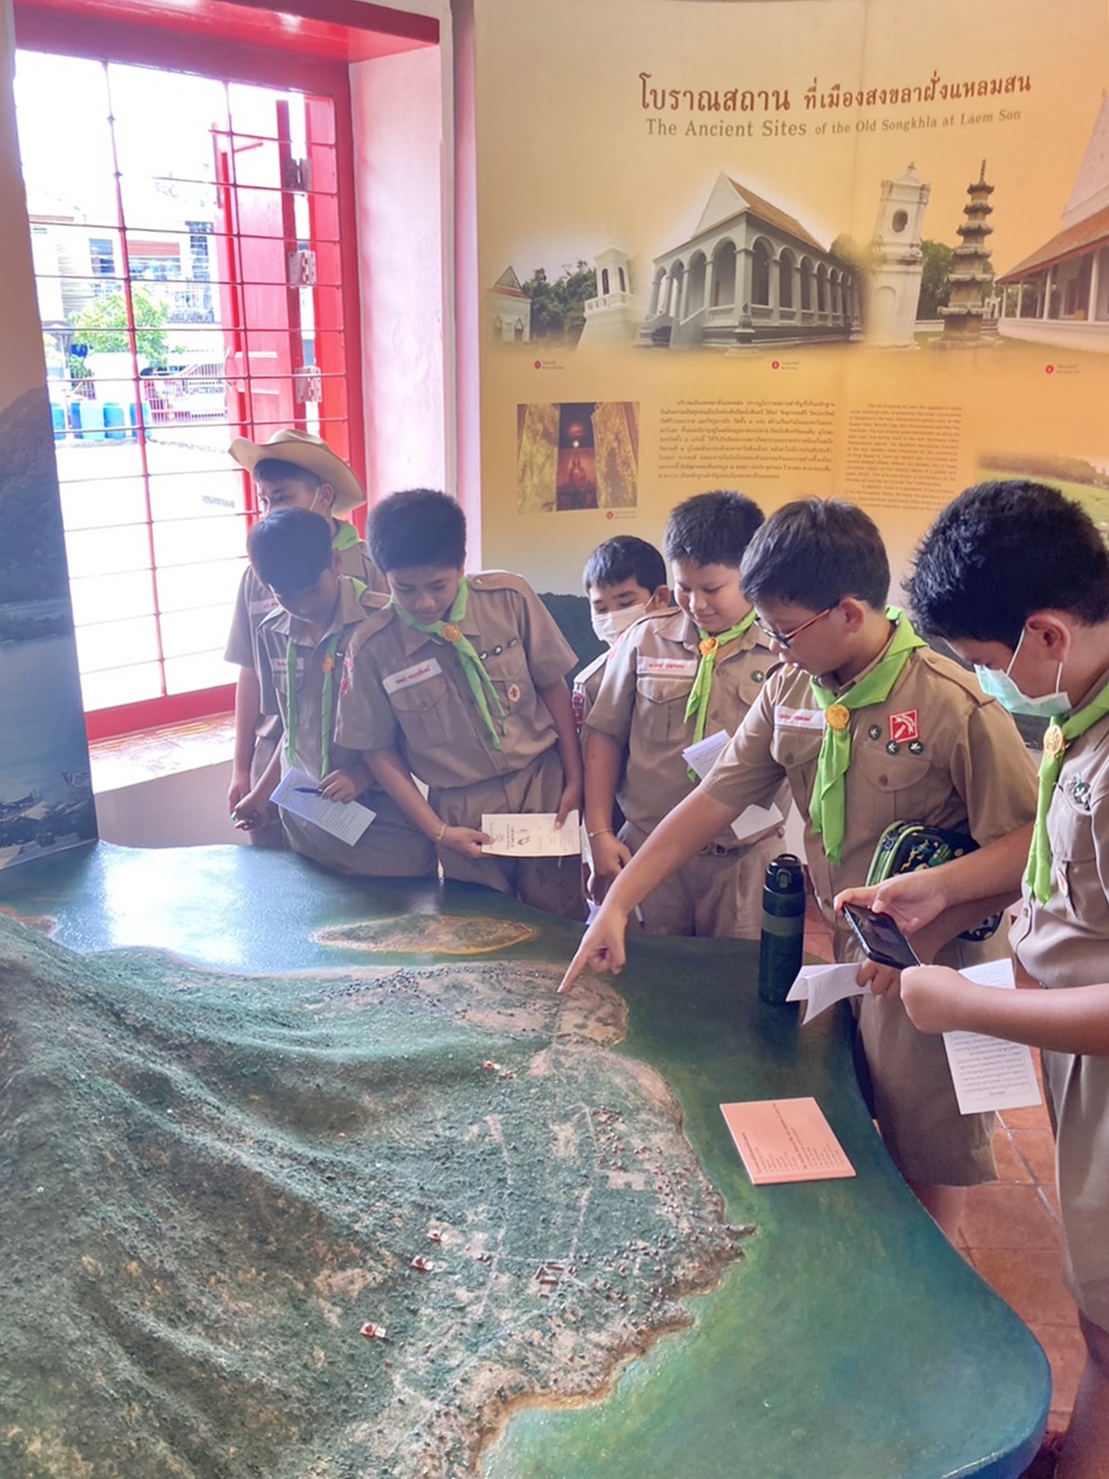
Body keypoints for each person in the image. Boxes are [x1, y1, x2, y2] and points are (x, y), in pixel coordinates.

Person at [561, 497, 1038, 1239]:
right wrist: (620, 900)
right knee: (860, 1104)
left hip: (941, 961)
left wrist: (933, 912)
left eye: (783, 631)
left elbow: (1031, 844)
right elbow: (714, 797)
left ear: (846, 613)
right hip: (859, 947)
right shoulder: (794, 686)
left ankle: (929, 1276)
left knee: (930, 1143)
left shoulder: (954, 706)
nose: (775, 647)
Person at [837, 480, 1109, 1479]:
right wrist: (940, 890)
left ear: (1045, 633)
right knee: (1095, 1303)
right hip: (1072, 1045)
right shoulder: (1083, 711)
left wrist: (963, 1001)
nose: (987, 680)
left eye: (988, 661)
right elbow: (1055, 867)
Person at [335, 488, 585, 919]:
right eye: (405, 589)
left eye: (438, 585)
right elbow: (378, 751)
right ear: (383, 575)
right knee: (481, 927)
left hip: (541, 785)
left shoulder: (509, 599)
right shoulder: (373, 648)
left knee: (559, 917)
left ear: (462, 565)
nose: (425, 602)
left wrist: (575, 779)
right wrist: (438, 831)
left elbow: (553, 687)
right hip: (461, 808)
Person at [582, 491, 782, 937]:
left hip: (742, 859)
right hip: (647, 854)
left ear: (752, 574)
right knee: (647, 971)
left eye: (711, 589)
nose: (696, 603)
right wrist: (599, 832)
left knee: (737, 973)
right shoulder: (644, 639)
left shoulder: (783, 652)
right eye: (684, 588)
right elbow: (604, 735)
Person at [231, 507, 435, 879]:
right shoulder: (271, 633)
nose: (303, 605)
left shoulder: (385, 624)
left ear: (336, 562)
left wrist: (362, 775)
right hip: (307, 824)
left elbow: (420, 730)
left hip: (382, 826)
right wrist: (261, 793)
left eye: (312, 590)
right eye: (285, 596)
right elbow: (293, 728)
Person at [224, 430, 387, 849]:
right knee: (278, 868)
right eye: (263, 501)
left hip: (352, 757)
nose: (270, 512)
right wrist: (241, 768)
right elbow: (250, 671)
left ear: (324, 496)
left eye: (282, 498)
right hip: (277, 752)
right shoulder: (258, 574)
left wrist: (365, 773)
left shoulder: (370, 567)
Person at [573, 535, 671, 731]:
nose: (612, 618)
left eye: (626, 604)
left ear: (660, 598)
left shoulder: (691, 660)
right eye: (601, 609)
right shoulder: (591, 683)